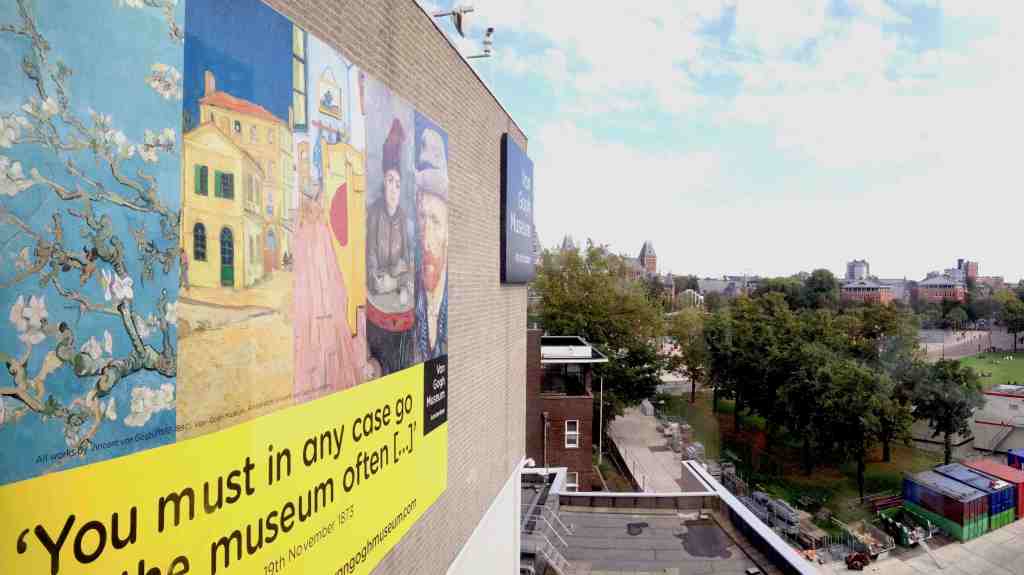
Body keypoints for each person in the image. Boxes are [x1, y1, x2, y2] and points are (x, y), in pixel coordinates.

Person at [366, 118, 414, 375]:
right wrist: (388, 278)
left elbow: (407, 262)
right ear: (383, 184)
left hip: (397, 303)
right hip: (377, 310)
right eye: (389, 181)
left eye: (397, 183)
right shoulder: (374, 215)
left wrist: (399, 283)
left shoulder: (404, 218)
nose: (393, 188)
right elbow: (373, 272)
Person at [414, 126, 449, 362]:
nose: (425, 239)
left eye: (435, 221)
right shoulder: (409, 296)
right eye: (421, 218)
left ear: (448, 231)